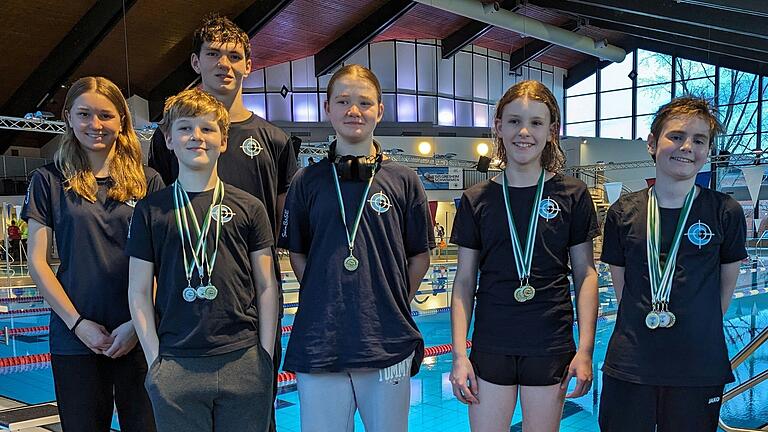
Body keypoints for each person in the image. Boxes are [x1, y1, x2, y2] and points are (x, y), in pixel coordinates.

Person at [147, 18, 297, 424]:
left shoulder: (275, 140)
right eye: (213, 54)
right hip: (184, 311)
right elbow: (156, 227)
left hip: (250, 312)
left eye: (234, 56)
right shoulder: (170, 139)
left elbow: (286, 220)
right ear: (196, 62)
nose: (224, 64)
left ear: (249, 65)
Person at [278, 64, 434, 432]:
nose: (354, 110)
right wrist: (323, 292)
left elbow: (420, 256)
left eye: (364, 102)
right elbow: (297, 253)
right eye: (343, 101)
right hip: (320, 337)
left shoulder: (404, 180)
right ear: (327, 108)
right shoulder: (307, 180)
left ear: (380, 110)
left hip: (387, 338)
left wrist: (389, 298)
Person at [449, 80, 600, 432]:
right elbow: (465, 280)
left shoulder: (572, 194)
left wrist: (586, 350)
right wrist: (458, 354)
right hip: (492, 342)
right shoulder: (477, 199)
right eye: (514, 121)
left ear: (552, 131)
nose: (524, 132)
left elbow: (586, 274)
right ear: (498, 127)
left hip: (550, 341)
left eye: (535, 122)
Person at [127, 88, 278, 431]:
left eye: (208, 129)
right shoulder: (151, 210)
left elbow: (267, 284)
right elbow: (137, 291)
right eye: (185, 128)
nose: (197, 136)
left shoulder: (249, 207)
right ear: (168, 139)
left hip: (243, 360)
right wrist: (155, 362)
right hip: (176, 363)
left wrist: (265, 356)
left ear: (223, 140)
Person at [599, 97, 746, 432]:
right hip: (631, 363)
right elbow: (623, 289)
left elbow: (726, 288)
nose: (686, 147)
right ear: (652, 143)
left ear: (707, 150)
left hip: (697, 364)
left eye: (699, 140)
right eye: (676, 136)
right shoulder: (623, 212)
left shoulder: (724, 212)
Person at [23, 76, 161, 432]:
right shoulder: (48, 180)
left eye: (105, 115)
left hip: (140, 333)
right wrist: (78, 324)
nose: (95, 125)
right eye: (84, 114)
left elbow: (163, 263)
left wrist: (136, 323)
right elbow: (38, 262)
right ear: (68, 117)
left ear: (122, 121)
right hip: (75, 336)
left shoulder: (149, 182)